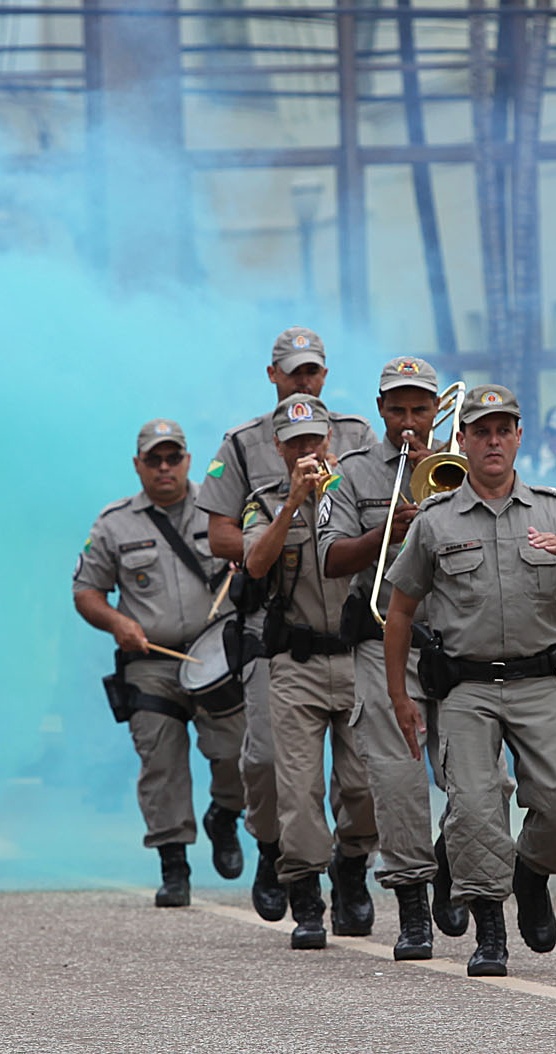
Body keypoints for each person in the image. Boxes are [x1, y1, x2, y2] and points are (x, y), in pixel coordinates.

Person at [382, 383, 556, 977]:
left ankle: (531, 876)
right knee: (476, 808)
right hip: (464, 688)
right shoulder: (435, 521)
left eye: (503, 429)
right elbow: (401, 611)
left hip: (540, 682)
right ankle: (490, 932)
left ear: (518, 436)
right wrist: (398, 697)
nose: (493, 440)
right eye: (481, 431)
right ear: (462, 440)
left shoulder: (552, 507)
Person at [195, 326, 375, 922]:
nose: (304, 379)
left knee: (364, 777)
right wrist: (284, 513)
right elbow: (223, 533)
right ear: (272, 374)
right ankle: (280, 857)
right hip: (276, 624)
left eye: (313, 371)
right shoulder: (245, 446)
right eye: (293, 371)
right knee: (271, 765)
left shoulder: (356, 437)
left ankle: (350, 864)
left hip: (352, 634)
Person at [318, 356, 460, 960]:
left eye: (420, 409)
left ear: (436, 412)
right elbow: (331, 557)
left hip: (456, 642)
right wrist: (391, 534)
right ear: (380, 411)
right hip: (382, 640)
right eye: (397, 409)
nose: (408, 422)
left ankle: (456, 865)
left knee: (478, 781)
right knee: (399, 780)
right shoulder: (349, 474)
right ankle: (412, 904)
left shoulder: (466, 464)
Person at [73, 418, 247, 909]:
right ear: (139, 465)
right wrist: (115, 623)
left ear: (188, 461)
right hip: (151, 660)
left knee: (239, 754)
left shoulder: (222, 509)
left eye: (174, 458)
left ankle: (225, 815)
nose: (165, 467)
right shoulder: (115, 523)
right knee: (161, 763)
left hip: (219, 657)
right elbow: (86, 590)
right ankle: (174, 866)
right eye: (155, 459)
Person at [241, 394, 379, 950]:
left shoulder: (358, 493)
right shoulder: (263, 502)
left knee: (364, 782)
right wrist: (292, 505)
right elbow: (254, 563)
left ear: (331, 441)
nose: (306, 450)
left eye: (314, 440)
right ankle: (305, 894)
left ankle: (352, 865)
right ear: (278, 447)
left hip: (355, 656)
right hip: (295, 662)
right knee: (297, 787)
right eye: (294, 442)